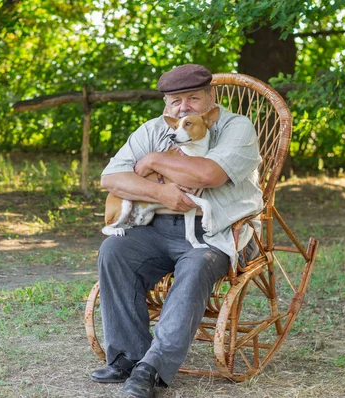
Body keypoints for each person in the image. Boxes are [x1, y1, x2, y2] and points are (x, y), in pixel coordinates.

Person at [91, 64, 263, 398]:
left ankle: (152, 369)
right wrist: (160, 192)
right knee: (115, 251)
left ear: (210, 99)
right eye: (175, 101)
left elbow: (209, 175)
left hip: (220, 231)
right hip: (158, 227)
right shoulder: (154, 128)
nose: (183, 107)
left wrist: (154, 160)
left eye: (192, 98)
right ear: (166, 105)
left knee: (197, 265)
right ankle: (128, 357)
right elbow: (111, 179)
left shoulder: (236, 128)